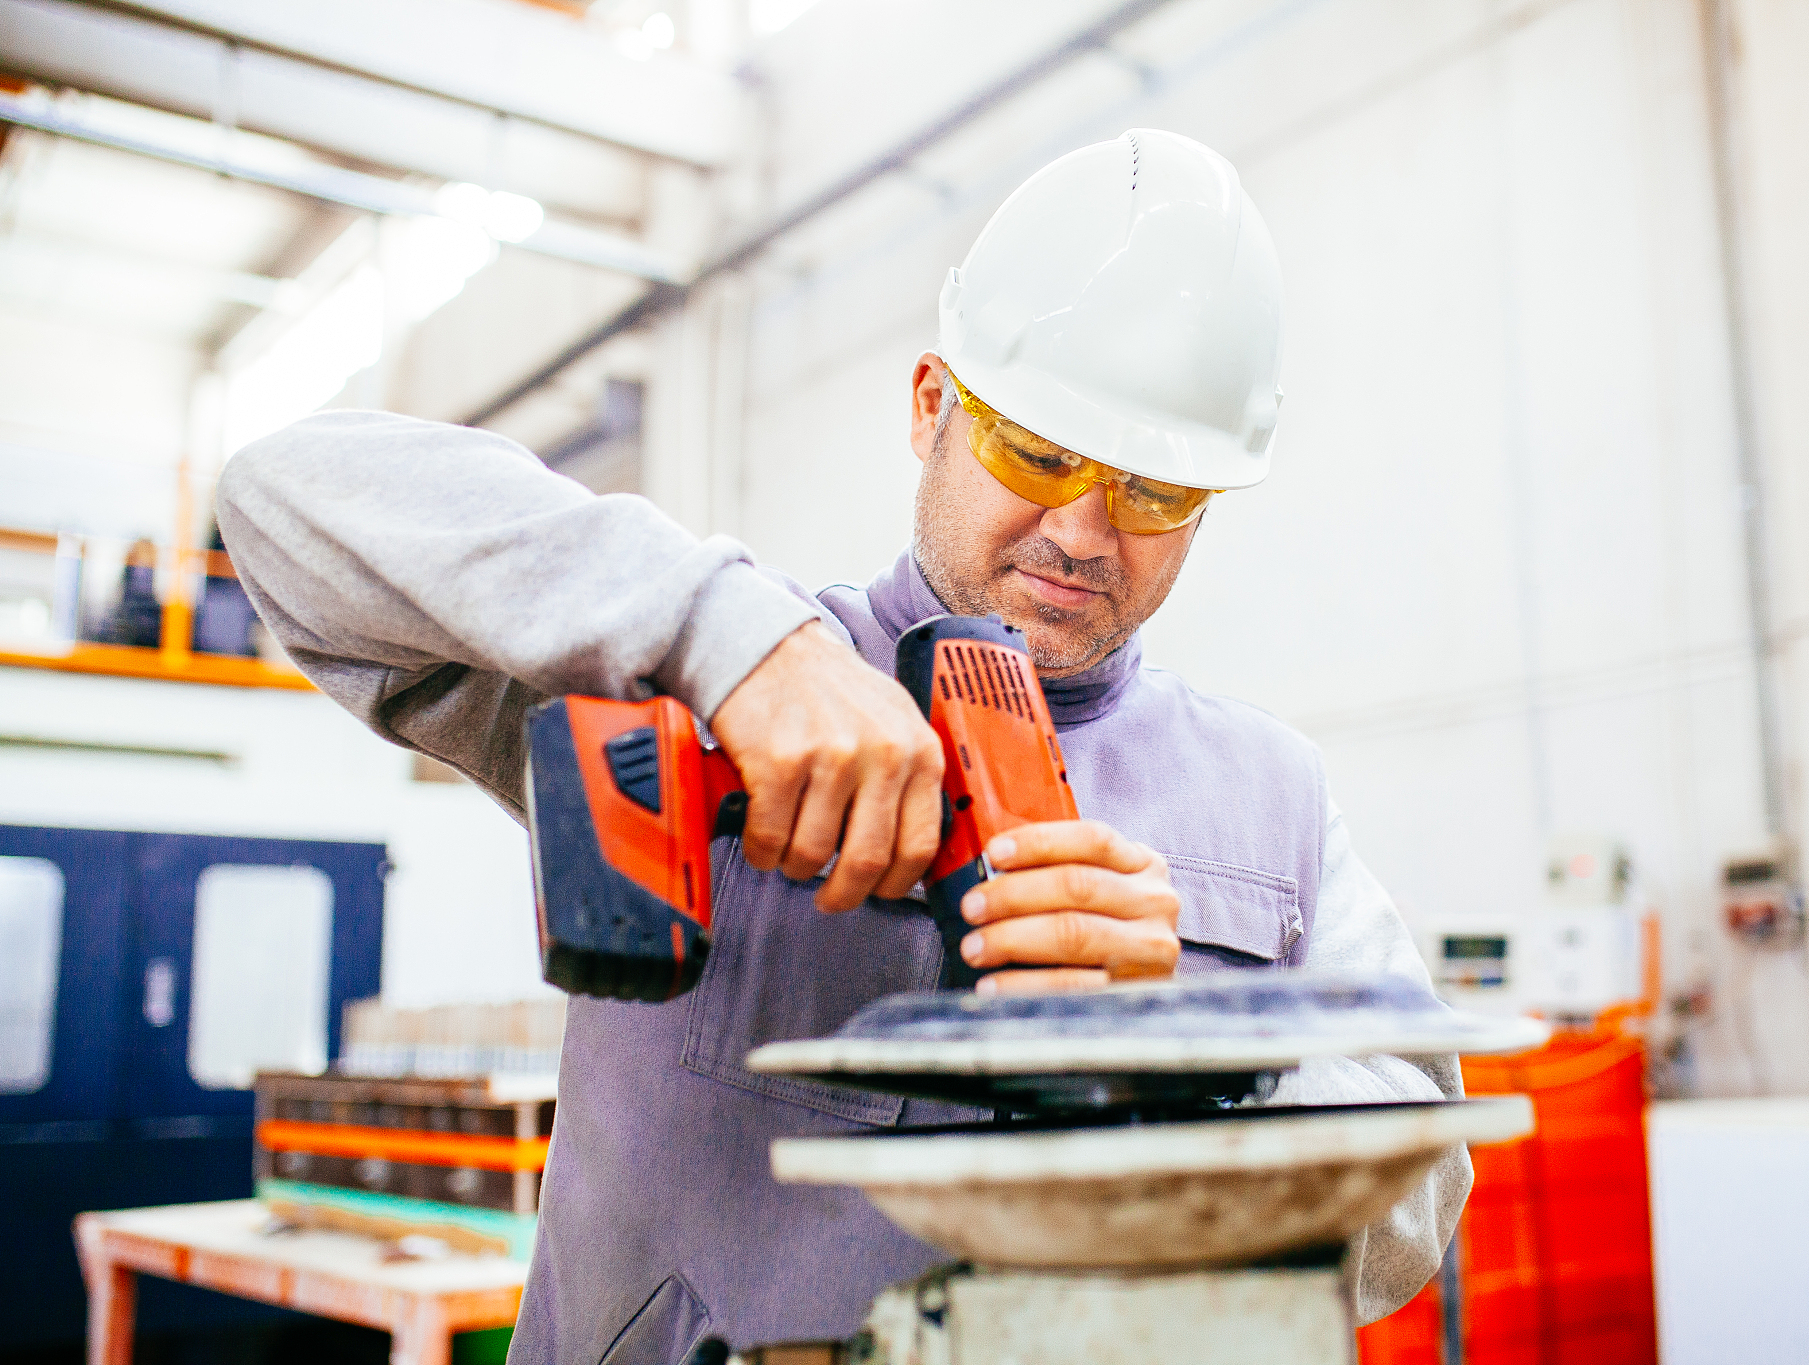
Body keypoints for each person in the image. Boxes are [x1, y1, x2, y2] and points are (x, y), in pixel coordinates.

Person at [219, 129, 1469, 1362]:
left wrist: (1194, 1059)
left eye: (1154, 494)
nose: (1086, 533)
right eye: (1033, 451)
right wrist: (737, 640)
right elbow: (282, 498)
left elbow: (1418, 1197)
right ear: (932, 407)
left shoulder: (1272, 799)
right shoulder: (684, 683)